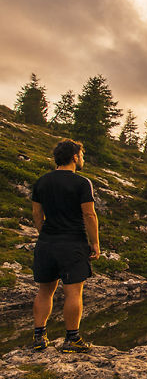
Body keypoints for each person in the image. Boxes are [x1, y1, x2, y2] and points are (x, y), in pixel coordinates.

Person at [30, 139, 100, 353]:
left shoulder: (41, 181)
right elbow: (89, 214)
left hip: (47, 243)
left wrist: (45, 233)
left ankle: (39, 337)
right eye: (81, 155)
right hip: (72, 243)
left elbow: (36, 214)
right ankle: (72, 339)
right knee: (73, 292)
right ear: (74, 157)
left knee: (45, 291)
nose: (83, 159)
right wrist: (95, 242)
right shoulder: (81, 183)